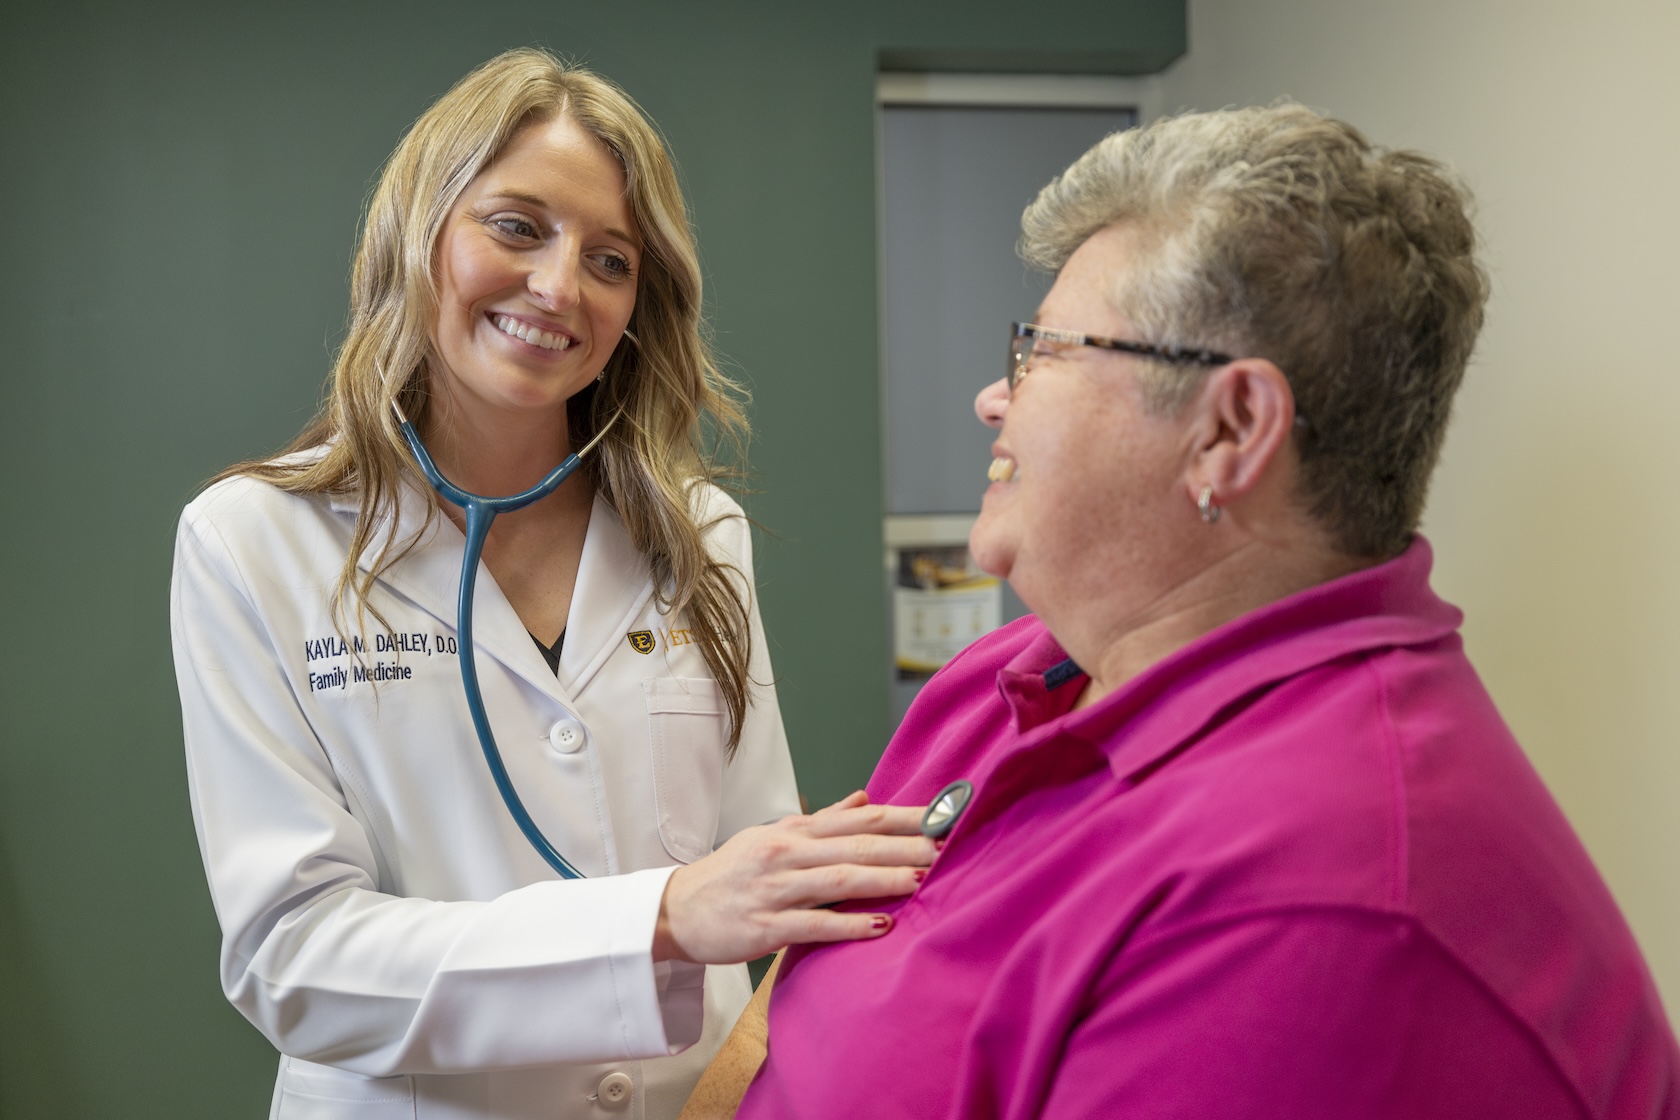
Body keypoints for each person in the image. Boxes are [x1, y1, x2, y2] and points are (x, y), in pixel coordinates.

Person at [683, 105, 1680, 1119]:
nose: (994, 397)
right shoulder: (1006, 681)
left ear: (1230, 430)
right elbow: (786, 1011)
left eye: (1044, 352)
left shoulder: (1323, 908)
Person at [170, 48, 933, 1120]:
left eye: (611, 260)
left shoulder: (699, 533)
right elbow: (295, 960)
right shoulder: (257, 539)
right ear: (419, 233)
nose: (560, 285)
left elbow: (757, 874)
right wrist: (658, 919)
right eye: (517, 226)